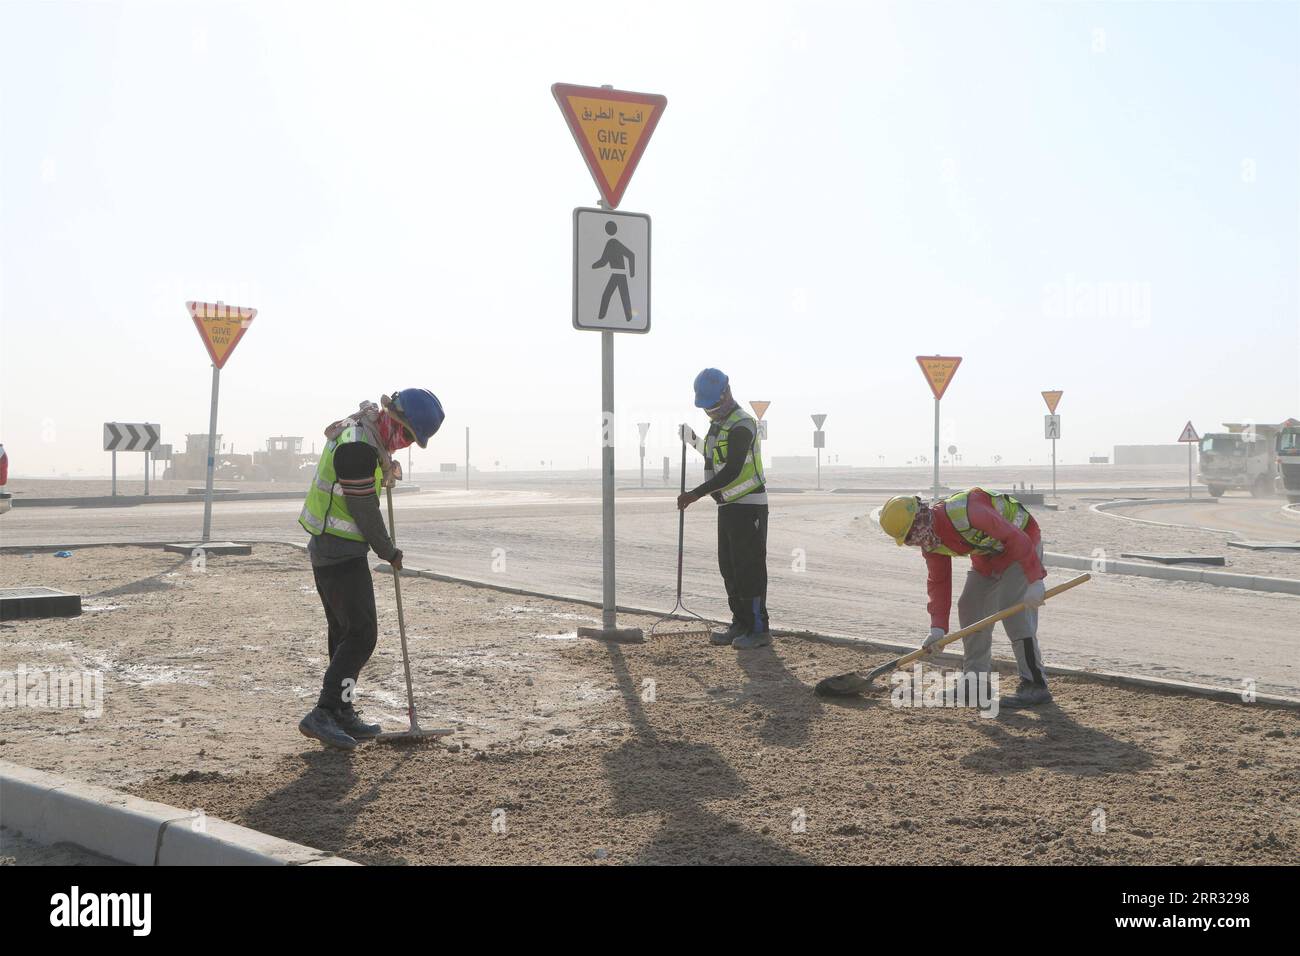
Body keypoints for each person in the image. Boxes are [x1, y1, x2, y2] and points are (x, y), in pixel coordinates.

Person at [297, 388, 445, 749]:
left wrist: (384, 469)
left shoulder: (366, 437)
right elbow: (362, 509)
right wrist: (389, 550)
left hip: (332, 546)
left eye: (413, 440)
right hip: (337, 549)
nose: (407, 444)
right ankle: (325, 711)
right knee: (362, 635)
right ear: (392, 416)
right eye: (408, 434)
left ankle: (342, 712)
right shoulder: (358, 446)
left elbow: (363, 484)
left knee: (345, 633)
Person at [878, 488, 1052, 707]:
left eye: (911, 535)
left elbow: (1015, 537)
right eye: (908, 540)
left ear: (919, 520)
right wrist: (937, 629)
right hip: (988, 557)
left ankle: (1035, 684)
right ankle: (975, 684)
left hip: (1022, 546)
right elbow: (939, 582)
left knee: (1014, 610)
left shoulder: (969, 512)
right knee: (970, 607)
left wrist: (1036, 579)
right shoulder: (931, 541)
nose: (913, 542)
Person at [677, 368, 771, 649]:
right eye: (706, 408)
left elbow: (731, 469)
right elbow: (713, 455)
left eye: (714, 406)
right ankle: (740, 623)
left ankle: (758, 629)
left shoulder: (742, 424)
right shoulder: (720, 424)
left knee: (749, 569)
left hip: (749, 506)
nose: (711, 411)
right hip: (728, 506)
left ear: (726, 393)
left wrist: (695, 494)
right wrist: (692, 439)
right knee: (729, 568)